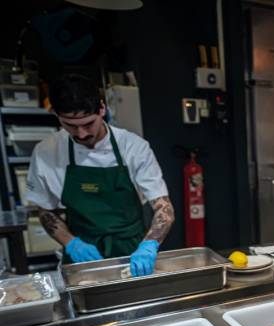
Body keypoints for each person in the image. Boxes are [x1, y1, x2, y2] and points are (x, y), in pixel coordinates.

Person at [26, 73, 174, 277]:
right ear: (57, 115)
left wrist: (148, 246)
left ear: (102, 109)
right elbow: (45, 211)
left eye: (88, 124)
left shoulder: (133, 147)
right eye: (70, 125)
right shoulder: (46, 152)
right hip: (83, 257)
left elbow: (164, 209)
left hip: (131, 253)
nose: (81, 134)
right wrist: (72, 243)